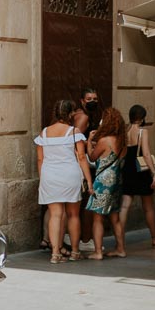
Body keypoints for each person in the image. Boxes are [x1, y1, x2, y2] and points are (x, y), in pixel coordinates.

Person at [35, 99, 94, 264]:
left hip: (49, 175)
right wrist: (89, 180)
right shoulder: (74, 132)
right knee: (73, 214)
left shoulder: (44, 133)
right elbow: (81, 157)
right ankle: (75, 251)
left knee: (55, 214)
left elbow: (40, 159)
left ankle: (55, 253)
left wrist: (43, 178)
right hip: (70, 174)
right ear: (70, 114)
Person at [119, 105, 155, 248]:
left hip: (128, 169)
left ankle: (120, 241)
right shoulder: (143, 132)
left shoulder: (125, 131)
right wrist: (154, 173)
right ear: (141, 118)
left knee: (124, 206)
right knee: (148, 207)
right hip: (140, 170)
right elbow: (146, 154)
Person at [85, 106, 127, 259]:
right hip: (117, 182)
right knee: (115, 218)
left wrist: (89, 141)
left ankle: (98, 252)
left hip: (103, 182)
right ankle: (120, 249)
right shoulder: (122, 141)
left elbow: (92, 157)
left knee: (98, 218)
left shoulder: (105, 140)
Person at [75, 87, 100, 250]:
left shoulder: (80, 114)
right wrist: (90, 143)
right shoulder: (83, 117)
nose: (92, 102)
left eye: (95, 99)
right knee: (86, 204)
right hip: (81, 165)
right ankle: (84, 240)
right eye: (89, 99)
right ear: (82, 101)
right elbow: (74, 138)